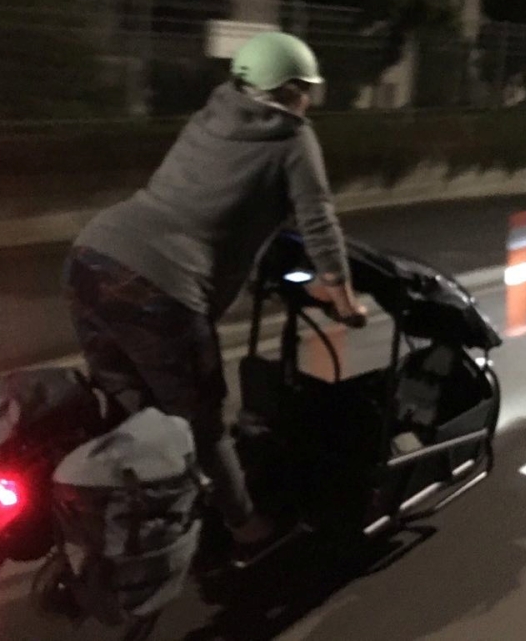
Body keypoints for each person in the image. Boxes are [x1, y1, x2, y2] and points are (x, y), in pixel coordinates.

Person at [64, 31, 367, 553]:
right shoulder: (293, 140)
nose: (310, 100)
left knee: (130, 407)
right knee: (204, 422)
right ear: (291, 89)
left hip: (91, 259)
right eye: (306, 89)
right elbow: (318, 220)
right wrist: (343, 298)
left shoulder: (210, 116)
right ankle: (244, 525)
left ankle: (115, 514)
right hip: (158, 291)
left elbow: (206, 205)